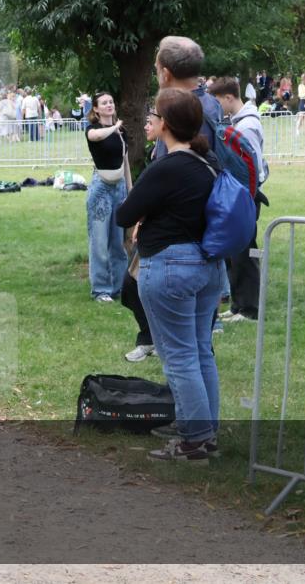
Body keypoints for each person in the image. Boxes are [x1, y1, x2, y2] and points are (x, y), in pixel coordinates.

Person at [116, 88, 221, 463]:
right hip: (208, 266)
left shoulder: (166, 167)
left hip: (171, 266)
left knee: (179, 356)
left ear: (166, 125)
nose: (148, 121)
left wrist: (146, 215)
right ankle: (207, 434)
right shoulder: (206, 162)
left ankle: (193, 440)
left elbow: (124, 215)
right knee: (200, 351)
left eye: (152, 115)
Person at [208, 77, 267, 323]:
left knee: (245, 252)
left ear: (229, 98)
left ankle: (250, 309)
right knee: (234, 252)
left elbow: (252, 166)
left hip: (245, 197)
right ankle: (238, 305)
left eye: (217, 101)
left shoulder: (247, 126)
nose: (215, 107)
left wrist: (244, 198)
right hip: (240, 196)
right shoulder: (239, 122)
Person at [121, 111, 159, 363]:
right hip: (150, 233)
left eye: (151, 121)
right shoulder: (158, 151)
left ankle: (153, 339)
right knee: (130, 289)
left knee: (134, 289)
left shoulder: (170, 157)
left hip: (163, 241)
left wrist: (138, 217)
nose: (145, 126)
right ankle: (150, 338)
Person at [84, 91, 129, 303]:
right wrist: (114, 126)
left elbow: (125, 161)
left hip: (119, 188)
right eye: (104, 103)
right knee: (99, 242)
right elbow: (97, 137)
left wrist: (129, 190)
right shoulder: (93, 129)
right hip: (101, 188)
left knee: (118, 243)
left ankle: (119, 287)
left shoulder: (121, 132)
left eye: (111, 101)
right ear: (96, 109)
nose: (109, 105)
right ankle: (101, 289)